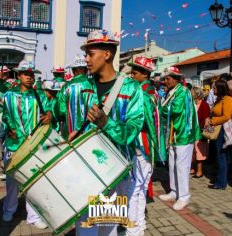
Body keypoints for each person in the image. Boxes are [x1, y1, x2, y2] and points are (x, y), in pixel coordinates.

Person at [78, 29, 144, 236]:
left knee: (108, 228)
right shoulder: (81, 85)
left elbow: (132, 132)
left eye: (91, 54)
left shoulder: (131, 88)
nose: (86, 59)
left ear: (107, 54)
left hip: (115, 171)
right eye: (86, 54)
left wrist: (106, 122)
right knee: (86, 225)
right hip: (84, 167)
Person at [1, 60, 51, 228]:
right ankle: (9, 209)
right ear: (19, 75)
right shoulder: (8, 95)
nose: (29, 77)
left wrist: (48, 116)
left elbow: (48, 111)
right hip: (14, 144)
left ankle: (34, 216)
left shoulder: (40, 95)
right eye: (26, 74)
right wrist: (9, 129)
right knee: (12, 180)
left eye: (31, 74)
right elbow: (6, 116)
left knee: (33, 181)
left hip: (34, 145)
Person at [128, 56, 166, 235]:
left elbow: (139, 122)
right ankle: (140, 225)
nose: (131, 75)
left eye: (134, 72)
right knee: (142, 186)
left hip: (140, 144)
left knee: (134, 188)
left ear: (144, 74)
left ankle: (133, 228)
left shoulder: (142, 94)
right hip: (149, 145)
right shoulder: (155, 93)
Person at [158, 66, 201, 210]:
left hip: (183, 134)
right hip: (173, 134)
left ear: (176, 79)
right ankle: (174, 191)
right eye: (164, 79)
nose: (165, 81)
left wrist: (159, 108)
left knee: (182, 166)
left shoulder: (182, 92)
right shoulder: (172, 91)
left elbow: (174, 110)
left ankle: (184, 196)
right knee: (172, 164)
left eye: (168, 78)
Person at [53, 55, 94, 139]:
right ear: (86, 70)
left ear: (73, 70)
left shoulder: (66, 86)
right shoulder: (93, 84)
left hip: (70, 133)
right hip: (90, 134)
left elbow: (60, 110)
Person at [206, 80, 232, 190]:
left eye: (215, 88)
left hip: (222, 130)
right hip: (217, 129)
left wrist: (212, 121)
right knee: (218, 155)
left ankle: (221, 182)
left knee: (221, 155)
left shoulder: (227, 100)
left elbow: (226, 116)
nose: (213, 90)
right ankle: (219, 177)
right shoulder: (219, 100)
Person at [190, 86, 210, 178]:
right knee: (192, 151)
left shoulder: (204, 105)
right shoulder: (191, 104)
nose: (190, 94)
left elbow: (206, 118)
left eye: (192, 92)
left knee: (199, 151)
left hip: (200, 131)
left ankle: (200, 170)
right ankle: (192, 168)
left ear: (197, 94)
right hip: (192, 131)